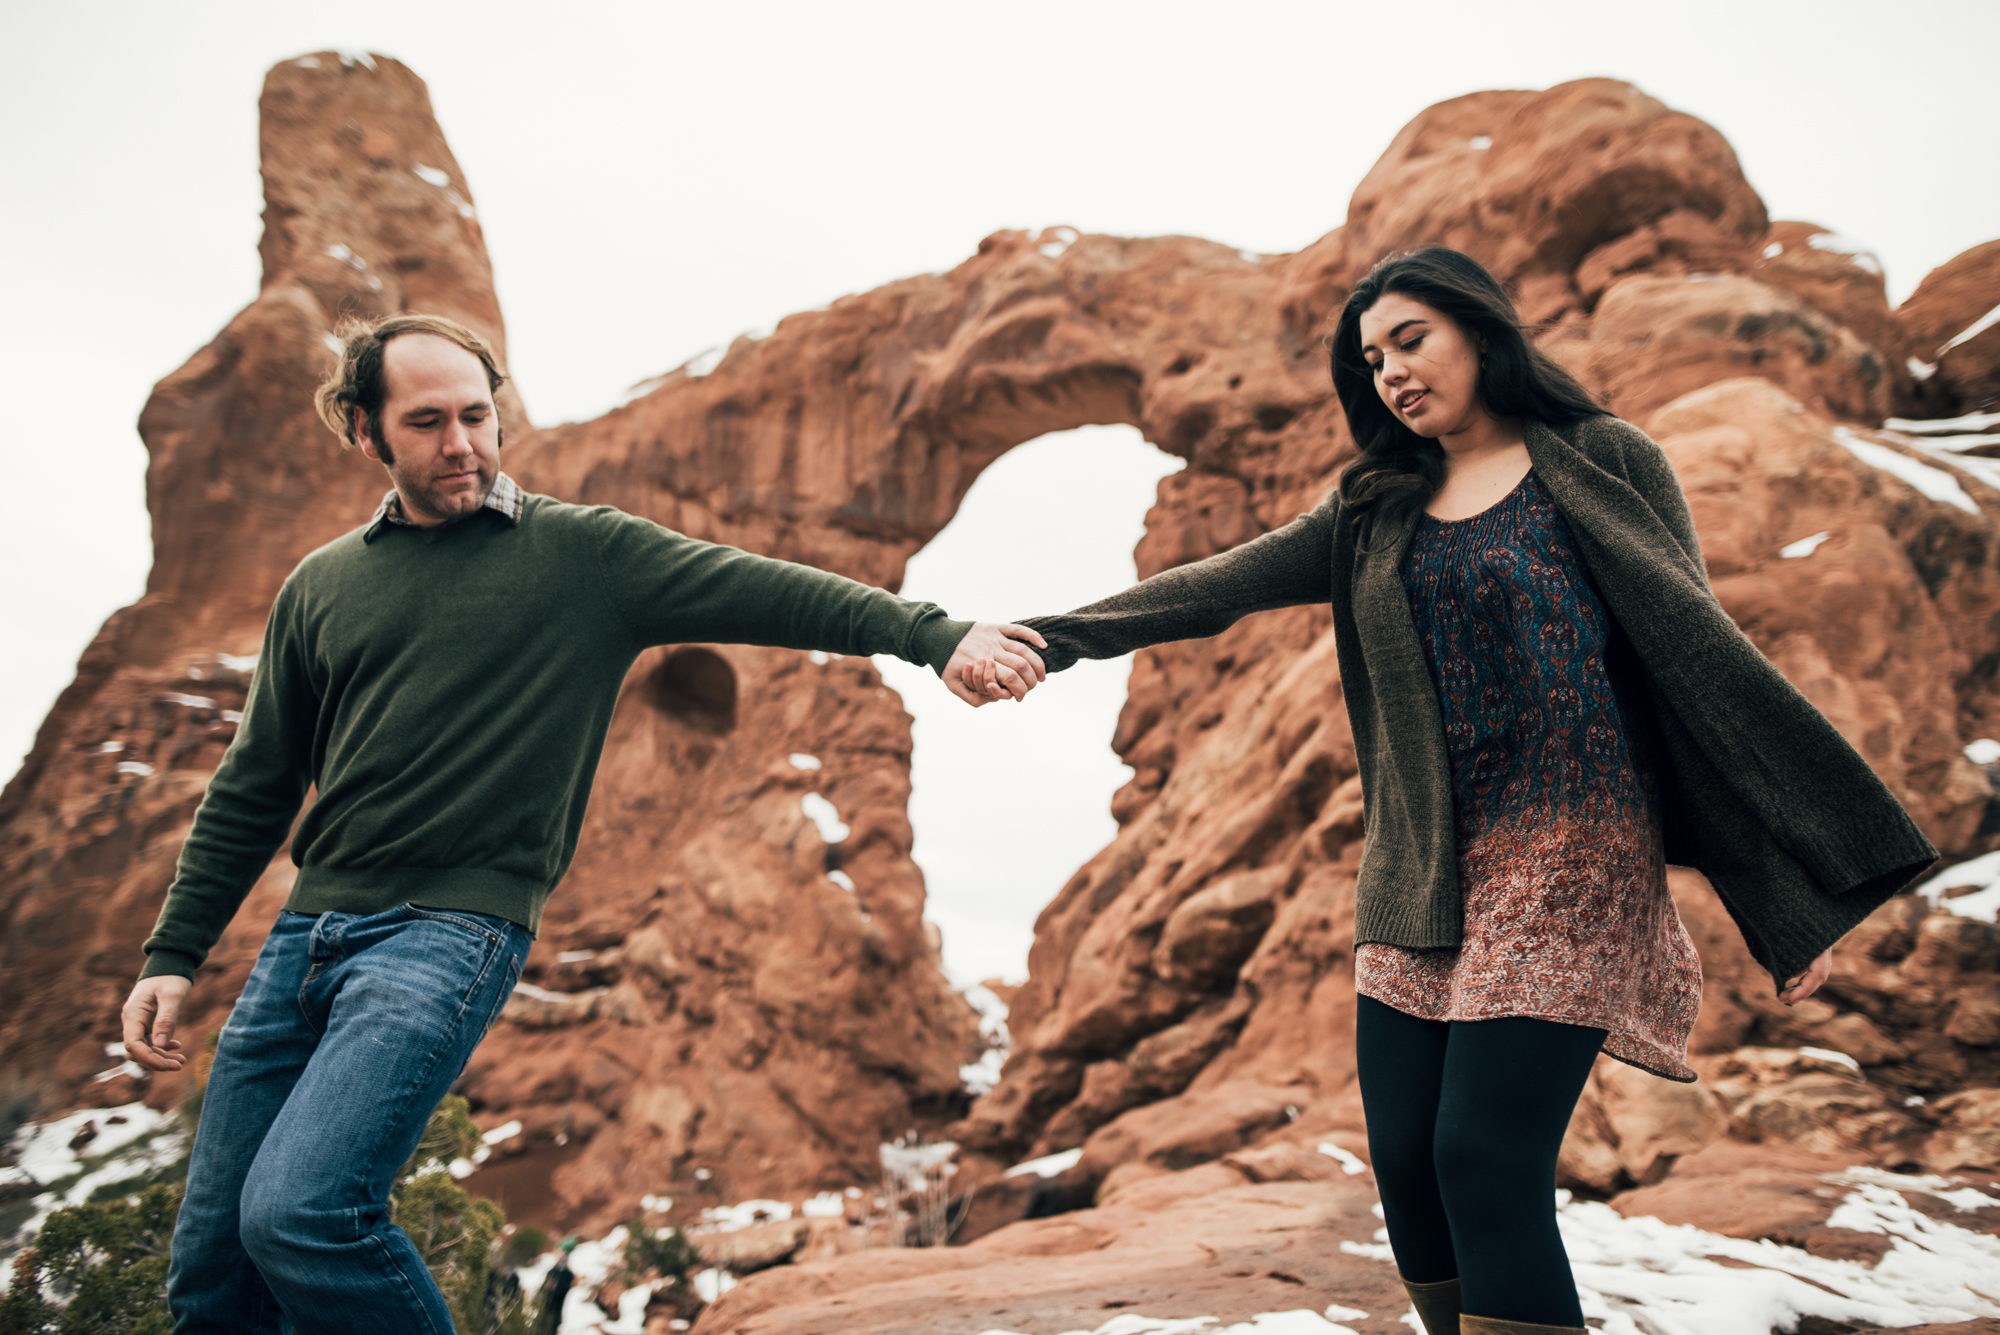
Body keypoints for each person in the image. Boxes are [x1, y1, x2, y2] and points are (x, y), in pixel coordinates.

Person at [983, 247, 1937, 1335]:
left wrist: (1776, 891)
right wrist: (1047, 640)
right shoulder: (1371, 509)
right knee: (1408, 1173)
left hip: (1575, 852)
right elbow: (1217, 586)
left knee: (1480, 1157)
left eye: (1408, 340)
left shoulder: (1603, 459)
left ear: (1480, 333)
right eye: (1369, 359)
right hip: (1423, 866)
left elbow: (1698, 672)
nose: (1389, 371)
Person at [118, 312, 1049, 1334]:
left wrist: (936, 635)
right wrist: (175, 951)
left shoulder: (582, 556)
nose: (462, 443)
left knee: (303, 1214)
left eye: (478, 415)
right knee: (211, 1276)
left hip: (444, 935)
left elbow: (772, 592)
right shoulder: (321, 586)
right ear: (365, 432)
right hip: (304, 937)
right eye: (426, 422)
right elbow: (253, 784)